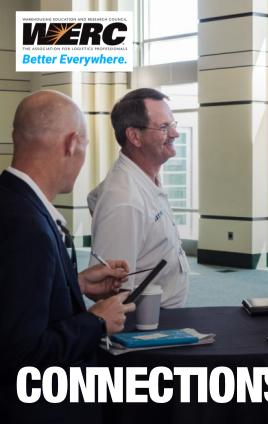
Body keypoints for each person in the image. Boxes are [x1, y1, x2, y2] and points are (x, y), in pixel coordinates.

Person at [0, 90, 136, 423]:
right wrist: (96, 321)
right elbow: (21, 353)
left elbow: (12, 299)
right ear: (71, 143)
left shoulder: (11, 202)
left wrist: (74, 284)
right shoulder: (28, 226)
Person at [88, 88, 189, 308]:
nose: (175, 134)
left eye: (173, 124)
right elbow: (109, 293)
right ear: (134, 136)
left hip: (164, 317)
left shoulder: (145, 179)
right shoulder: (124, 201)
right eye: (164, 127)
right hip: (145, 324)